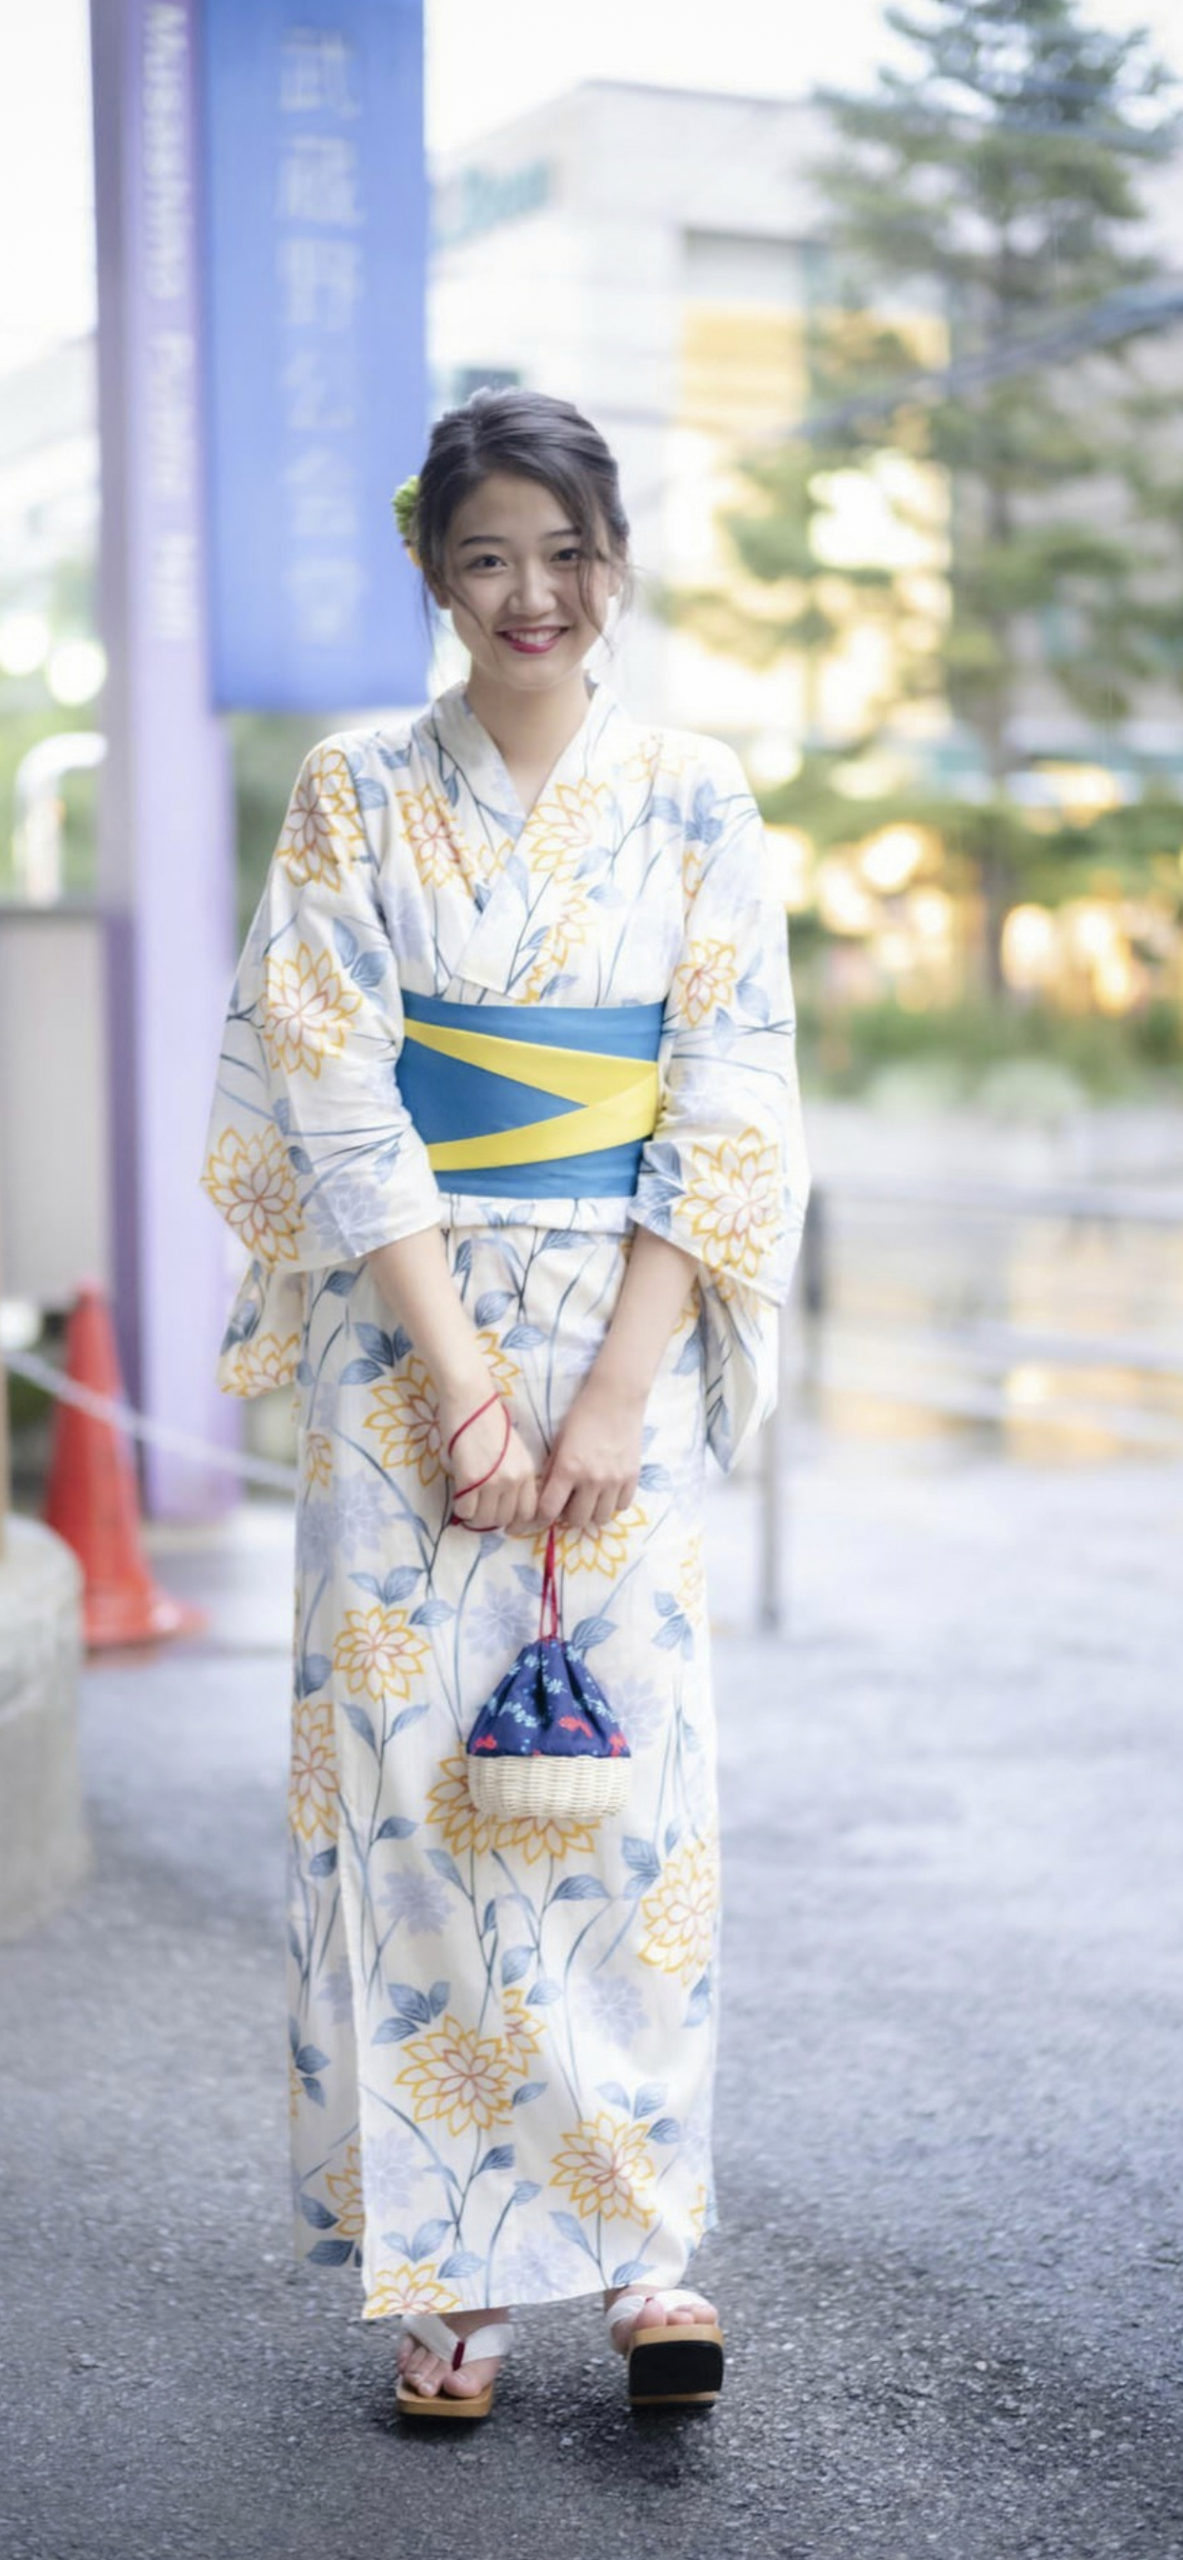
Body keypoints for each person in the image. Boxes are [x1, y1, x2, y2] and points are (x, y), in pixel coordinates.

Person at [200, 387, 810, 2419]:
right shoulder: (358, 789)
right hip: (405, 1345)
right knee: (415, 1795)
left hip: (624, 1331)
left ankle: (641, 2248)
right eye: (486, 557)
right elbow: (329, 1074)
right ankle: (451, 2264)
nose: (529, 593)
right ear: (432, 572)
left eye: (564, 553)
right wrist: (460, 1386)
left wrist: (619, 1389)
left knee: (624, 1801)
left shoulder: (696, 796)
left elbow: (727, 1086)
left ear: (613, 559)